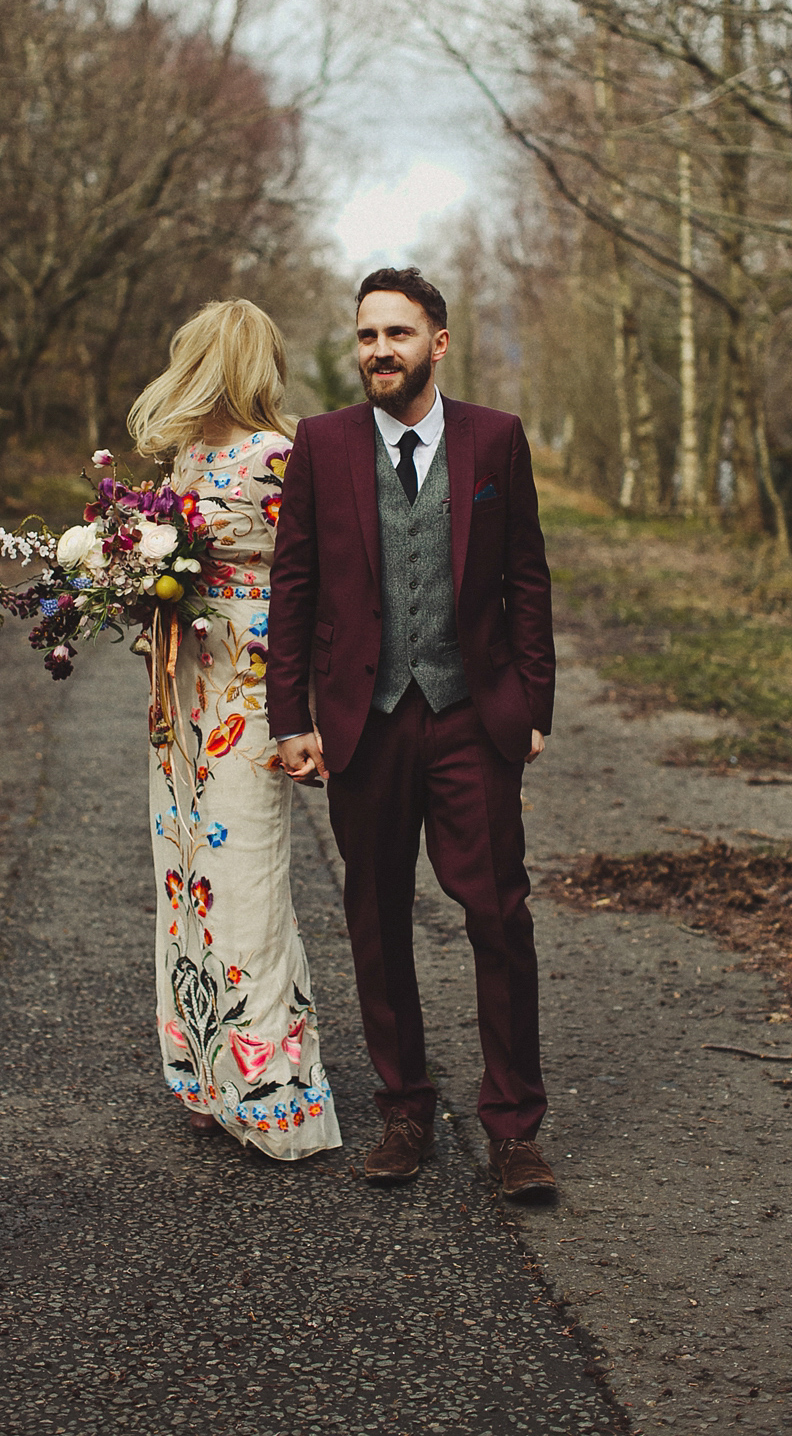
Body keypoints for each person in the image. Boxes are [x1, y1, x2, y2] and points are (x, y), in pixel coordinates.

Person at [267, 266, 556, 1196]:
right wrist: (290, 719)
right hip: (367, 718)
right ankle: (404, 1111)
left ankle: (513, 1128)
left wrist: (533, 706)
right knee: (378, 916)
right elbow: (295, 585)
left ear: (437, 343)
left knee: (498, 915)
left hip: (473, 714)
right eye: (365, 336)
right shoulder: (321, 444)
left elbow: (528, 581)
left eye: (396, 334)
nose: (377, 351)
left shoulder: (496, 441)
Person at [127, 299, 341, 1160]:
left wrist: (311, 710)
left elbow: (321, 582)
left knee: (246, 875)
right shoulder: (188, 454)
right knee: (184, 874)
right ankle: (205, 1069)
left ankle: (274, 1091)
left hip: (249, 688)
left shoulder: (285, 458)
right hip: (181, 682)